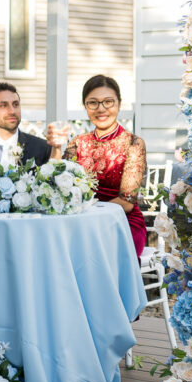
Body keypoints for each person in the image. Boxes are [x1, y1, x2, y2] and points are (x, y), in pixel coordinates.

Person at [48, 74, 147, 258]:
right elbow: (57, 186)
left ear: (119, 103)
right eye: (93, 103)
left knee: (92, 248)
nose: (101, 109)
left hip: (122, 221)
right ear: (85, 106)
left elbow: (126, 202)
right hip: (81, 221)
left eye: (108, 102)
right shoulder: (76, 143)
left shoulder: (133, 143)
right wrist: (56, 148)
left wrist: (88, 218)